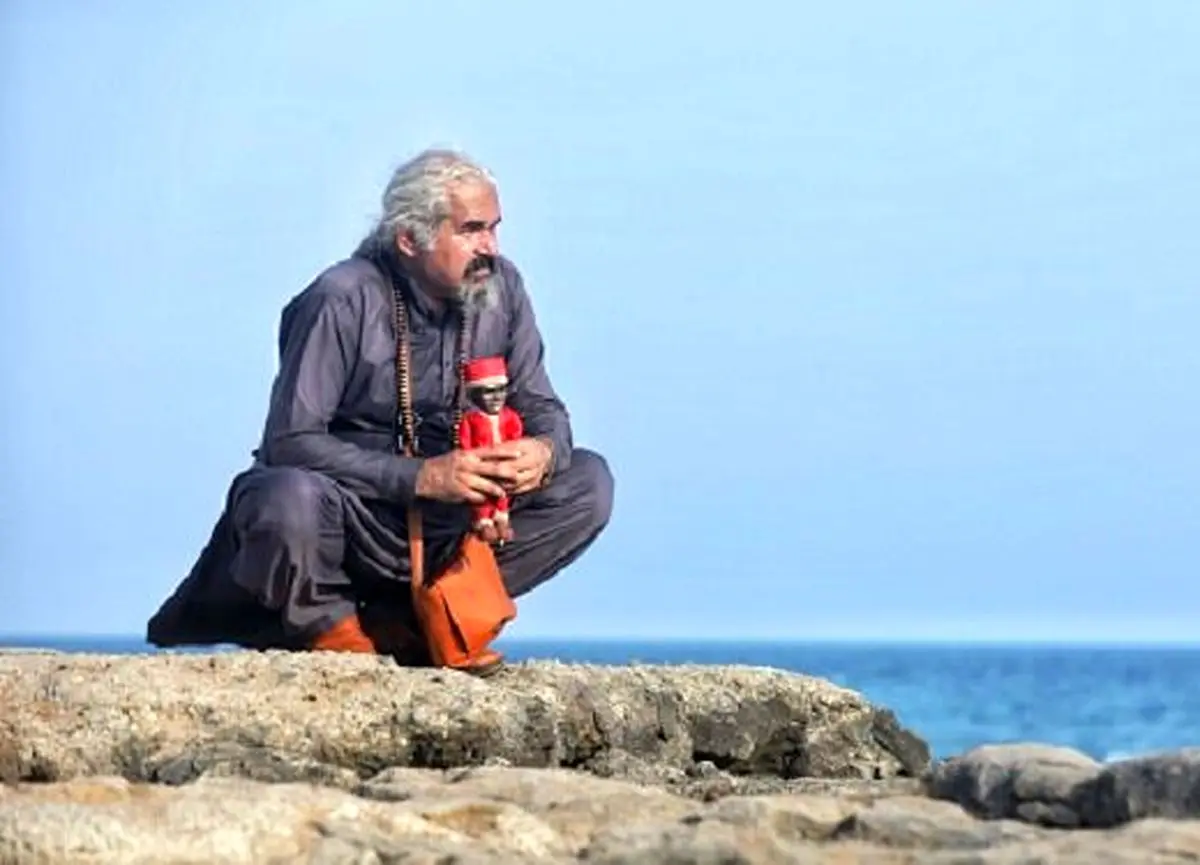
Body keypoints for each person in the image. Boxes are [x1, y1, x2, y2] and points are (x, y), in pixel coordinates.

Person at [145, 148, 615, 666]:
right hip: (353, 517)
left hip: (454, 520)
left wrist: (541, 451)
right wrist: (420, 477)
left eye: (495, 228)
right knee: (281, 497)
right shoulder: (341, 298)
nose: (491, 248)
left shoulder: (503, 289)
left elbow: (545, 408)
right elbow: (289, 441)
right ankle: (333, 626)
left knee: (588, 482)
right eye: (471, 230)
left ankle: (423, 620)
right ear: (409, 239)